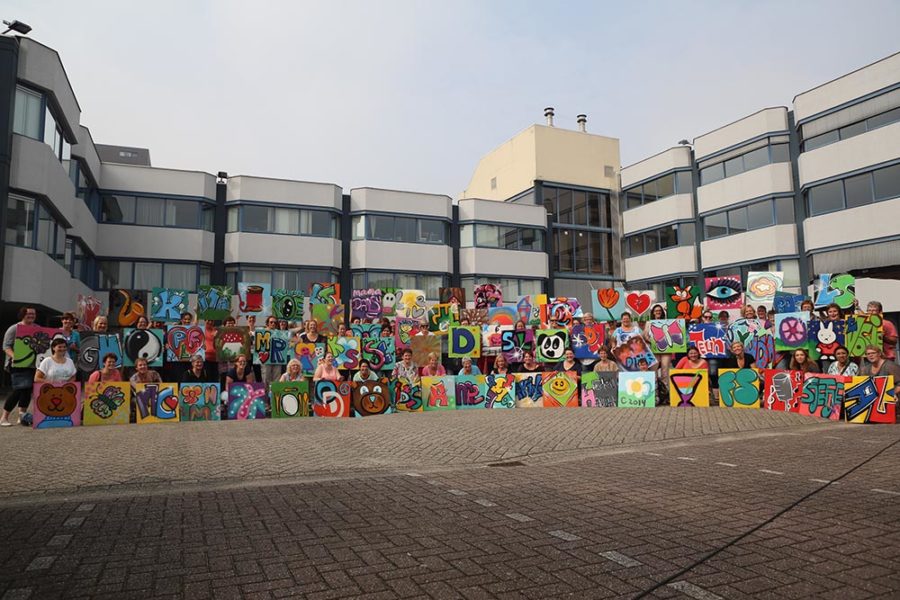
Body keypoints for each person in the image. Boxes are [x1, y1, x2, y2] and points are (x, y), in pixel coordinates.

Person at [1, 307, 38, 427]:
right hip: (17, 364)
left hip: (32, 365)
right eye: (29, 313)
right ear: (22, 315)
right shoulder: (14, 328)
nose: (31, 316)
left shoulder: (37, 328)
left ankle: (22, 416)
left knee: (27, 390)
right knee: (19, 389)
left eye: (33, 314)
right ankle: (4, 417)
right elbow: (6, 346)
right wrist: (14, 356)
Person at [259, 316, 284, 384]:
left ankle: (275, 391)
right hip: (265, 358)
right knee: (266, 377)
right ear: (267, 323)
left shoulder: (280, 333)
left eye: (275, 322)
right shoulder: (261, 332)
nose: (273, 324)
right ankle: (266, 391)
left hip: (277, 358)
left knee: (277, 378)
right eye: (271, 322)